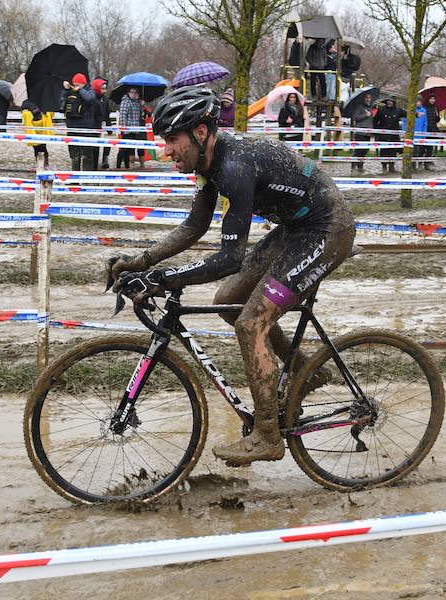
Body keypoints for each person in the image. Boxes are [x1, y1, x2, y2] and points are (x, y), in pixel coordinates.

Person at [108, 87, 356, 465]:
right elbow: (193, 227)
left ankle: (268, 436)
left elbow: (229, 257)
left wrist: (165, 279)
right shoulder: (208, 166)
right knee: (227, 300)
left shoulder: (235, 166)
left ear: (201, 133)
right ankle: (304, 367)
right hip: (295, 228)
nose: (166, 151)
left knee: (250, 323)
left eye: (172, 140)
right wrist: (142, 261)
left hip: (327, 231)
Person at [62, 73, 98, 170]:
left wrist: (80, 90)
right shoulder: (70, 91)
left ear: (83, 84)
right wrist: (65, 90)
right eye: (74, 84)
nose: (75, 86)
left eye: (78, 84)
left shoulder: (89, 91)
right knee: (75, 156)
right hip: (72, 128)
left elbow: (90, 98)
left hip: (86, 129)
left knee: (87, 156)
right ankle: (75, 179)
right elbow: (61, 104)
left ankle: (86, 179)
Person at [117, 87, 146, 169]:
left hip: (137, 129)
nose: (134, 94)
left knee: (134, 148)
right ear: (128, 93)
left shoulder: (138, 103)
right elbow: (123, 116)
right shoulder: (125, 102)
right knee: (124, 149)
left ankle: (128, 165)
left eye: (136, 93)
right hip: (127, 129)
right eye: (132, 92)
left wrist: (143, 106)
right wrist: (124, 129)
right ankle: (119, 165)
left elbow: (143, 116)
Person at [373, 97, 404, 173]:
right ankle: (384, 167)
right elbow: (375, 121)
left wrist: (416, 114)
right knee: (384, 151)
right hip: (384, 136)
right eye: (388, 101)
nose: (389, 102)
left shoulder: (398, 110)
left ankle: (391, 166)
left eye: (391, 101)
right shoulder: (381, 110)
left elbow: (407, 113)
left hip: (394, 136)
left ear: (393, 102)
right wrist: (377, 132)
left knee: (393, 152)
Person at [21, 99, 52, 167]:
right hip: (35, 128)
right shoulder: (28, 102)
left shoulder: (43, 100)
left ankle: (42, 163)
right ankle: (42, 164)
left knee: (41, 147)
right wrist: (36, 110)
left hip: (40, 127)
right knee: (38, 147)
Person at [351, 92, 374, 172]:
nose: (368, 99)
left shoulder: (372, 108)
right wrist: (365, 115)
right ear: (364, 99)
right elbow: (355, 117)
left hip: (368, 133)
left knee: (364, 151)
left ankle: (360, 166)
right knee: (358, 151)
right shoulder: (359, 107)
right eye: (367, 97)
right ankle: (353, 167)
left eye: (369, 98)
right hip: (360, 133)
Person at [93, 78, 112, 169]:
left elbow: (107, 114)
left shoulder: (106, 99)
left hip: (104, 124)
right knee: (95, 146)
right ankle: (94, 163)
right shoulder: (92, 98)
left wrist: (109, 127)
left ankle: (105, 159)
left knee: (107, 144)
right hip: (94, 125)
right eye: (102, 88)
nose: (104, 90)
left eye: (105, 88)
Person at [424, 95, 441, 165]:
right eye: (431, 99)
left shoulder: (436, 108)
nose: (432, 100)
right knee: (424, 146)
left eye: (434, 99)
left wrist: (438, 116)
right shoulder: (425, 108)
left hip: (433, 129)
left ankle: (428, 161)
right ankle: (422, 160)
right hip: (426, 129)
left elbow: (437, 120)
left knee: (430, 146)